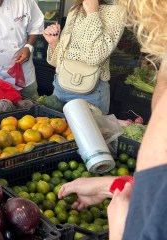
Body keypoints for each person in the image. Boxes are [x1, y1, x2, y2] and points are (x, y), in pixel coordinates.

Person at [58, 0, 167, 238]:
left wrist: (120, 232)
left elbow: (97, 54)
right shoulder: (75, 10)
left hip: (92, 89)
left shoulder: (112, 12)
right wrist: (111, 185)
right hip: (64, 83)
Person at [43, 0, 125, 114]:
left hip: (91, 91)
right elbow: (58, 63)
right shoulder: (75, 9)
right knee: (54, 130)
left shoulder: (115, 11)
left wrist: (92, 13)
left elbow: (94, 57)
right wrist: (54, 43)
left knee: (86, 131)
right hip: (61, 85)